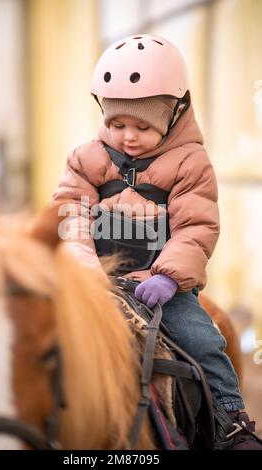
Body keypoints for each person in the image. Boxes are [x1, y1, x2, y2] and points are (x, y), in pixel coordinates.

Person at [51, 34, 261, 449]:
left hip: (160, 287)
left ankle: (230, 421)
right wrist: (82, 268)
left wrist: (168, 277)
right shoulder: (86, 157)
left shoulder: (190, 163)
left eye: (142, 125)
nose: (128, 136)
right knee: (41, 337)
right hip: (96, 280)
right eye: (117, 123)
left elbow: (195, 228)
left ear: (176, 113)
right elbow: (70, 214)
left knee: (203, 339)